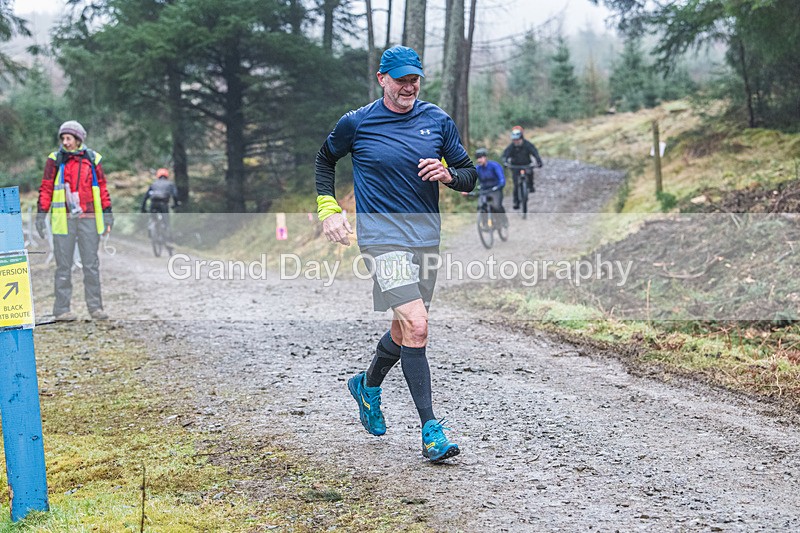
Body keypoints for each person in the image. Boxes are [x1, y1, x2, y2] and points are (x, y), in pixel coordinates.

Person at [315, 45, 477, 463]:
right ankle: (431, 431)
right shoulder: (357, 123)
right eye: (401, 79)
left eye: (414, 79)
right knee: (419, 326)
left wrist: (449, 174)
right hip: (381, 239)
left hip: (425, 237)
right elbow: (324, 161)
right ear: (382, 79)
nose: (409, 86)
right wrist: (329, 210)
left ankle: (367, 385)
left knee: (405, 330)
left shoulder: (437, 120)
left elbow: (470, 175)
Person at [35, 120, 113, 321]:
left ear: (78, 139)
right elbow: (46, 187)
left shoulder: (93, 159)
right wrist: (41, 213)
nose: (65, 142)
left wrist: (107, 213)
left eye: (68, 138)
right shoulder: (55, 159)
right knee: (63, 265)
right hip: (64, 220)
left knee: (90, 265)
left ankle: (96, 308)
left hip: (88, 219)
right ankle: (62, 310)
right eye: (63, 138)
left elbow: (102, 188)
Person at [501, 126, 543, 209]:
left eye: (517, 140)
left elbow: (535, 152)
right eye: (514, 140)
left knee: (530, 173)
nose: (516, 142)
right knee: (516, 185)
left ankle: (531, 186)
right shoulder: (511, 147)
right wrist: (505, 162)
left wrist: (539, 161)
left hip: (526, 164)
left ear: (521, 138)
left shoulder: (527, 145)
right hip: (515, 166)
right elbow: (505, 154)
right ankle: (516, 202)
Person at [140, 167, 180, 242]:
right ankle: (166, 237)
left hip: (153, 203)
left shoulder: (154, 184)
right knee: (166, 221)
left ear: (158, 175)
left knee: (153, 218)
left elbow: (146, 196)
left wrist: (143, 207)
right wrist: (176, 204)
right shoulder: (170, 184)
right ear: (167, 175)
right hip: (163, 204)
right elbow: (175, 195)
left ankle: (151, 229)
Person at [474, 147, 509, 228]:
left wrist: (501, 184)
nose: (479, 160)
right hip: (484, 190)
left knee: (496, 206)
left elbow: (501, 178)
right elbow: (472, 180)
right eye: (478, 158)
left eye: (481, 158)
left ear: (485, 157)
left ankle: (504, 220)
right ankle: (485, 224)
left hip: (496, 189)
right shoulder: (477, 168)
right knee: (481, 206)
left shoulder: (494, 166)